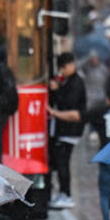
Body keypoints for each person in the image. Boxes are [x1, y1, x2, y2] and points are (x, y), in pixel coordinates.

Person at [47, 52, 86, 209]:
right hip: (64, 129)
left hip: (70, 130)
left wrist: (56, 91)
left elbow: (68, 103)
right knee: (61, 162)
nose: (62, 70)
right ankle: (63, 193)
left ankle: (66, 194)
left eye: (64, 67)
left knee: (63, 162)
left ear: (71, 64)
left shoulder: (76, 82)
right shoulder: (69, 81)